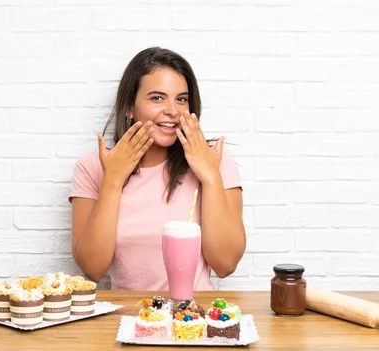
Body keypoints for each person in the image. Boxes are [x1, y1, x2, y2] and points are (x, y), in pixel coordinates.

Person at [68, 47, 246, 290]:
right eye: (157, 98)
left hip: (191, 320)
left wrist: (211, 177)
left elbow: (225, 265)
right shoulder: (93, 167)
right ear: (129, 107)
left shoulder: (214, 158)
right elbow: (92, 268)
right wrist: (112, 181)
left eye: (181, 99)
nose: (173, 111)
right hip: (130, 320)